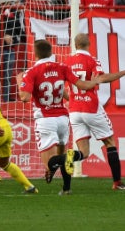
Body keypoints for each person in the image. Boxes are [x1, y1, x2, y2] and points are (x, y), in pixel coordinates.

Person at [17, 39, 99, 195]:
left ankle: (67, 159)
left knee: (50, 164)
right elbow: (81, 85)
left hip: (45, 119)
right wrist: (93, 83)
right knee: (63, 156)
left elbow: (25, 98)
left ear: (35, 54)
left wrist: (20, 82)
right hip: (62, 119)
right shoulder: (62, 67)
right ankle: (67, 189)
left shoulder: (32, 72)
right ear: (51, 52)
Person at [46, 34, 125, 191]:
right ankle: (117, 183)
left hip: (74, 110)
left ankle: (63, 159)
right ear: (89, 44)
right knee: (110, 142)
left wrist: (71, 99)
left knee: (83, 152)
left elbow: (60, 87)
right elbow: (101, 78)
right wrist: (122, 73)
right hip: (91, 107)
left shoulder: (67, 62)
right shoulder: (92, 60)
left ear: (75, 45)